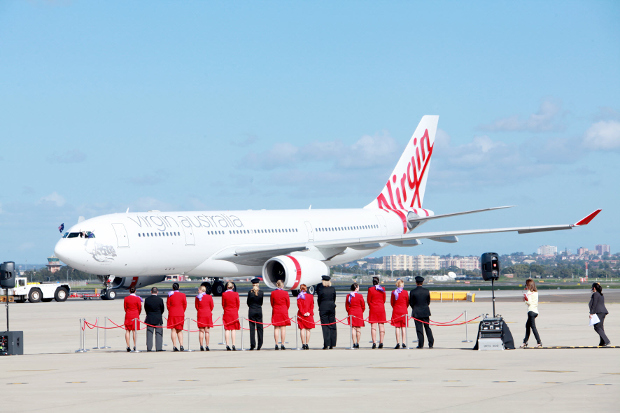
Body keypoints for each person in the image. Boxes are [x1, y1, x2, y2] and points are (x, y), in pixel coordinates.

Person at [410, 276, 434, 349]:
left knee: (419, 328)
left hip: (417, 312)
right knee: (427, 327)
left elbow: (411, 303)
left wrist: (415, 308)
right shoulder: (426, 291)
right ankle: (431, 342)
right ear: (422, 282)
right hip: (425, 311)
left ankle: (421, 344)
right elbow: (428, 301)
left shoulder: (413, 292)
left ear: (416, 282)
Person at [520, 278, 542, 348]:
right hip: (535, 311)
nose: (526, 286)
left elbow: (529, 302)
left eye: (526, 285)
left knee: (533, 327)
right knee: (527, 326)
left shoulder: (529, 292)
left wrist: (525, 299)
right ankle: (525, 341)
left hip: (531, 311)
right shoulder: (536, 292)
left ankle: (539, 342)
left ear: (529, 285)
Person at [317, 275, 337, 349]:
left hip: (323, 307)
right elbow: (334, 298)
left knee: (325, 326)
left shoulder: (321, 289)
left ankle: (326, 343)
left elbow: (319, 300)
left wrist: (320, 306)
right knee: (332, 324)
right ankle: (332, 343)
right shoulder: (332, 289)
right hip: (331, 307)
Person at [270, 279, 291, 350]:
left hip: (276, 310)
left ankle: (276, 344)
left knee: (276, 328)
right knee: (283, 328)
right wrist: (285, 308)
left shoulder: (273, 293)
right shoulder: (285, 293)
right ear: (282, 285)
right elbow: (288, 303)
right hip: (283, 310)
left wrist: (275, 307)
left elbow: (272, 303)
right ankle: (282, 344)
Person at [166, 282, 187, 352]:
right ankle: (181, 345)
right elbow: (185, 305)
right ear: (179, 288)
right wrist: (182, 311)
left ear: (173, 288)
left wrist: (171, 310)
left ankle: (174, 345)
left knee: (173, 330)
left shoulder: (170, 295)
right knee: (180, 330)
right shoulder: (183, 295)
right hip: (180, 313)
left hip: (172, 313)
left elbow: (168, 305)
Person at [367, 276, 386, 349]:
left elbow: (369, 300)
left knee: (373, 327)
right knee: (381, 326)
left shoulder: (370, 289)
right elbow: (384, 299)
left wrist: (371, 306)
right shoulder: (382, 289)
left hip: (373, 308)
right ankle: (381, 342)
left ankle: (374, 342)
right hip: (381, 308)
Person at [589, 282, 611, 347]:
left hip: (599, 312)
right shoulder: (600, 294)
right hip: (602, 312)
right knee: (600, 327)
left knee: (597, 327)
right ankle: (602, 342)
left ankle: (606, 340)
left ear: (594, 288)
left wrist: (591, 313)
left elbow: (594, 304)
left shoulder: (595, 294)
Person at [144, 287, 165, 352]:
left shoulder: (147, 299)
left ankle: (149, 348)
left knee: (149, 333)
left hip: (150, 318)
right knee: (159, 333)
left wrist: (149, 314)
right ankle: (158, 348)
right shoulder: (160, 300)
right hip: (158, 318)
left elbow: (146, 308)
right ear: (157, 292)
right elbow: (162, 309)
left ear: (151, 291)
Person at [346, 283, 365, 349]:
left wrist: (349, 311)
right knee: (358, 328)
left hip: (352, 312)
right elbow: (363, 305)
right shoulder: (360, 296)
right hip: (358, 312)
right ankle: (358, 343)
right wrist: (361, 311)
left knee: (353, 328)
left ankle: (354, 343)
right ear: (356, 288)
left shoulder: (348, 296)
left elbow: (347, 306)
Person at [390, 279, 409, 349]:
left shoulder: (393, 292)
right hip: (403, 310)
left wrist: (395, 307)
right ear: (402, 285)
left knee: (397, 327)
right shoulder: (405, 292)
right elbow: (407, 302)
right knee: (403, 327)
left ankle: (398, 342)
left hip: (396, 310)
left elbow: (392, 302)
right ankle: (403, 342)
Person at [222, 282, 240, 351]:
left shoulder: (224, 294)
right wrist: (235, 310)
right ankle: (233, 344)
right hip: (234, 312)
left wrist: (226, 309)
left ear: (227, 287)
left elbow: (223, 304)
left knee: (227, 329)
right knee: (233, 329)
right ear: (233, 287)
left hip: (227, 312)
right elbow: (238, 303)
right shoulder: (236, 294)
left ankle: (227, 344)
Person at [247, 278, 264, 350]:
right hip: (258, 310)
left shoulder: (250, 292)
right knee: (260, 328)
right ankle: (260, 344)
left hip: (252, 310)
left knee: (252, 328)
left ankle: (252, 344)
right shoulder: (261, 292)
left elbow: (248, 302)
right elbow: (261, 302)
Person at [195, 285, 214, 351]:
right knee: (207, 331)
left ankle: (201, 345)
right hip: (207, 314)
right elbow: (212, 306)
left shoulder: (197, 297)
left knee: (201, 331)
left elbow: (196, 307)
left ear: (201, 290)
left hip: (201, 314)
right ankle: (207, 345)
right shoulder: (209, 297)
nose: (198, 291)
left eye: (198, 290)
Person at [296, 284, 315, 350]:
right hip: (309, 314)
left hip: (301, 315)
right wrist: (308, 312)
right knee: (308, 330)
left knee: (302, 329)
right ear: (306, 289)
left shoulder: (299, 296)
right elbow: (312, 306)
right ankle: (307, 344)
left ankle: (303, 344)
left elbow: (299, 306)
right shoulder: (310, 296)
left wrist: (303, 313)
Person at [124, 286, 142, 352]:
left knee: (127, 331)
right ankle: (135, 345)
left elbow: (125, 308)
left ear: (129, 291)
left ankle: (128, 346)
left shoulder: (126, 298)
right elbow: (139, 307)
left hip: (128, 315)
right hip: (135, 315)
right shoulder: (137, 298)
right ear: (135, 291)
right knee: (134, 331)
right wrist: (138, 313)